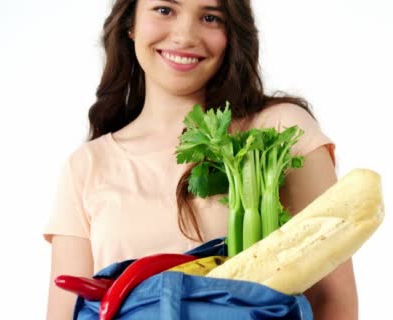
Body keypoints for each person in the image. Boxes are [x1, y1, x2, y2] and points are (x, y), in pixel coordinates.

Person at [44, 0, 358, 319]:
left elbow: (333, 300)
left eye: (210, 17)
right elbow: (66, 311)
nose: (185, 35)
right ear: (131, 24)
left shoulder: (277, 131)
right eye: (165, 10)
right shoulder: (86, 165)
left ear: (232, 33)